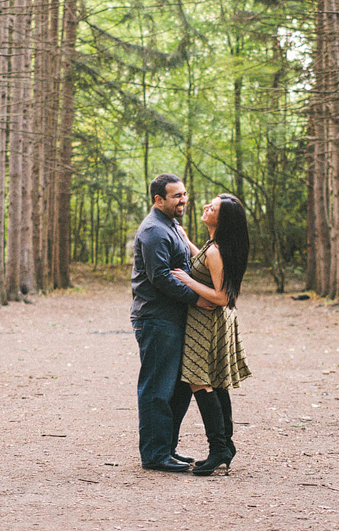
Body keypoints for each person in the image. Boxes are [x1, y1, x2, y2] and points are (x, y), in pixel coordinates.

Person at [131, 173, 212, 472]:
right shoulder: (153, 230)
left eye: (184, 193)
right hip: (156, 319)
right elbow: (161, 276)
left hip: (174, 319)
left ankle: (166, 448)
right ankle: (154, 455)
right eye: (176, 195)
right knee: (156, 388)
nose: (183, 199)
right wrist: (198, 298)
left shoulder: (172, 225)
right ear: (158, 199)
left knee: (176, 389)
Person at [172, 193, 251, 476]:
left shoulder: (217, 251)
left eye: (213, 207)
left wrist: (186, 280)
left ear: (223, 218)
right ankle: (225, 446)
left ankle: (218, 449)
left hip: (208, 321)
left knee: (198, 380)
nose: (207, 207)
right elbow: (204, 261)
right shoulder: (214, 246)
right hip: (215, 322)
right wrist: (187, 241)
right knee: (216, 382)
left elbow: (221, 296)